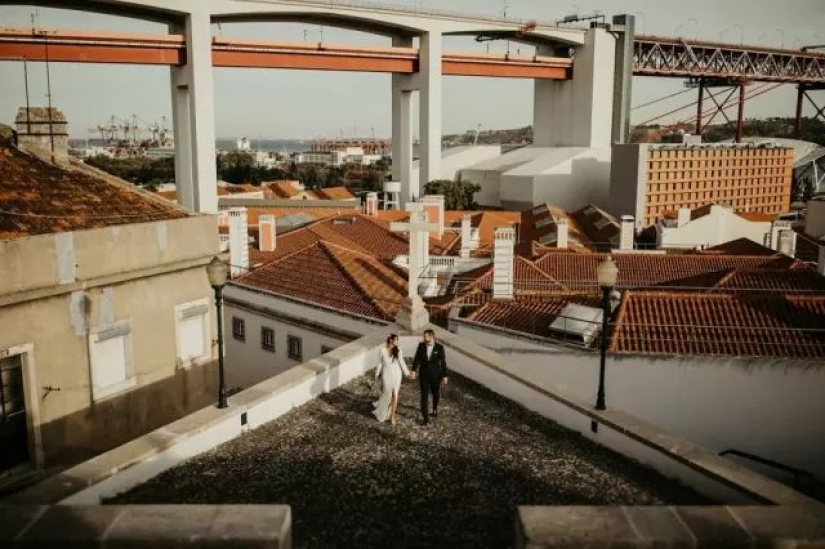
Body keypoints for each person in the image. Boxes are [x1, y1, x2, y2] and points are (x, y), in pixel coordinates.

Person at [411, 329, 449, 425]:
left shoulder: (440, 348)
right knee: (424, 396)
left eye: (426, 336)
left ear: (431, 337)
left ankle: (435, 409)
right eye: (424, 336)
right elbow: (417, 359)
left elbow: (443, 362)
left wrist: (445, 375)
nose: (424, 338)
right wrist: (414, 370)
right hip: (423, 374)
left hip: (436, 375)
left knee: (435, 393)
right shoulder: (421, 346)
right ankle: (425, 419)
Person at [373, 334, 410, 425]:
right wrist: (377, 373)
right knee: (386, 394)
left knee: (395, 394)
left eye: (398, 340)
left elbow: (402, 362)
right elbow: (380, 363)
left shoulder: (399, 350)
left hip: (397, 374)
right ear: (390, 340)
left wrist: (407, 373)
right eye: (396, 340)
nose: (397, 342)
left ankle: (392, 416)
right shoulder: (382, 350)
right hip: (386, 375)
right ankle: (382, 411)